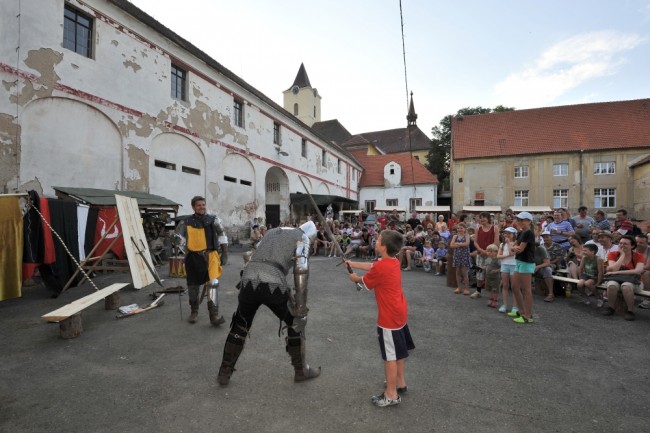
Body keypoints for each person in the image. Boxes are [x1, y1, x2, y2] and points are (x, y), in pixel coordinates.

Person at [216, 221, 321, 386]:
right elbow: (301, 268)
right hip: (272, 283)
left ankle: (224, 373)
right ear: (311, 235)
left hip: (248, 280)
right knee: (296, 323)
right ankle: (301, 371)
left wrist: (253, 271)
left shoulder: (272, 231)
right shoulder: (302, 237)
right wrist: (300, 307)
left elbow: (250, 254)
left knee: (240, 326)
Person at [345, 230, 415, 408]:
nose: (375, 242)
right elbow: (373, 267)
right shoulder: (392, 261)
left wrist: (353, 277)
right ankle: (400, 383)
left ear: (383, 247)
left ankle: (391, 395)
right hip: (399, 312)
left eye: (378, 241)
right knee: (398, 350)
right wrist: (352, 262)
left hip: (388, 318)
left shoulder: (382, 267)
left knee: (389, 356)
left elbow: (363, 281)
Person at [176, 196, 228, 325]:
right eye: (199, 205)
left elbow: (222, 235)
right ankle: (194, 311)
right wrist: (179, 243)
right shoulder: (186, 222)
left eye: (203, 204)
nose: (202, 207)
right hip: (193, 257)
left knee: (213, 284)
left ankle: (214, 315)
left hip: (211, 256)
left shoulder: (214, 219)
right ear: (193, 207)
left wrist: (225, 253)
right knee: (193, 286)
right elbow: (179, 238)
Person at [601, 235, 645, 321]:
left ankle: (630, 311)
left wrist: (617, 272)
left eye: (625, 244)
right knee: (611, 285)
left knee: (626, 286)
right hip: (616, 279)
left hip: (634, 280)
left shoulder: (639, 256)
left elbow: (637, 271)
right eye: (620, 243)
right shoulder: (613, 254)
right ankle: (611, 307)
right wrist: (622, 255)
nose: (622, 245)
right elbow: (613, 268)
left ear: (632, 246)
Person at [508, 212, 536, 324]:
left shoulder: (529, 233)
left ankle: (528, 316)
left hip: (526, 262)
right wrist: (515, 247)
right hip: (519, 261)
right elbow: (514, 248)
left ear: (529, 221)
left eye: (523, 220)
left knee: (526, 290)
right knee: (514, 287)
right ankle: (521, 311)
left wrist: (514, 247)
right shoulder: (520, 233)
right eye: (519, 220)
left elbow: (519, 249)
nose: (520, 222)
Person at [471, 212, 500, 299]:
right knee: (480, 273)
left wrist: (488, 251)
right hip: (480, 253)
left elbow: (496, 242)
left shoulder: (495, 228)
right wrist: (480, 249)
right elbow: (475, 241)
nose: (482, 219)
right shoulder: (478, 228)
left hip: (490, 255)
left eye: (484, 217)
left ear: (488, 218)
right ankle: (478, 291)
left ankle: (492, 294)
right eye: (481, 217)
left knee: (490, 273)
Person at [497, 227, 518, 313]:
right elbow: (498, 256)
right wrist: (506, 256)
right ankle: (504, 305)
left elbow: (512, 252)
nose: (507, 235)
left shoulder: (516, 243)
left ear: (514, 235)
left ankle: (515, 306)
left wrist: (509, 243)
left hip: (514, 265)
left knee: (514, 286)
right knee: (505, 285)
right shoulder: (502, 244)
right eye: (506, 233)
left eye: (509, 233)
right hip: (504, 265)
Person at [450, 223, 472, 295]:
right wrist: (460, 244)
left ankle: (466, 288)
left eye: (461, 228)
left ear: (465, 229)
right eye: (458, 228)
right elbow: (451, 245)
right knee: (458, 272)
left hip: (464, 256)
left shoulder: (467, 236)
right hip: (457, 256)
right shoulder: (455, 236)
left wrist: (457, 244)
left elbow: (467, 243)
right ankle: (459, 287)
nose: (460, 230)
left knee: (464, 272)